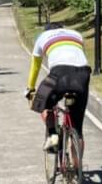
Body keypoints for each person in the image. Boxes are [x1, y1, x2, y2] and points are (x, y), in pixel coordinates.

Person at [25, 21, 91, 152]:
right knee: (78, 128)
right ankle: (78, 170)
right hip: (83, 73)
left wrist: (30, 88)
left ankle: (53, 136)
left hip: (60, 73)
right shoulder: (76, 34)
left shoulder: (42, 37)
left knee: (43, 103)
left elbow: (35, 66)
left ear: (46, 31)